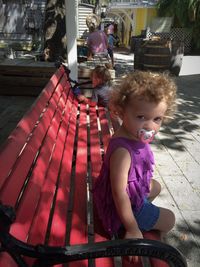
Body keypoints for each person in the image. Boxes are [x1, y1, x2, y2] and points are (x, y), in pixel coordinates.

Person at [93, 71, 177, 262]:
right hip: (121, 207)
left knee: (156, 186)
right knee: (170, 219)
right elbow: (119, 193)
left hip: (132, 197)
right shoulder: (123, 152)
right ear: (121, 111)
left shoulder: (132, 132)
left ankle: (145, 216)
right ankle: (138, 226)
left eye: (157, 119)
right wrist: (131, 228)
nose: (150, 126)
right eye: (141, 117)